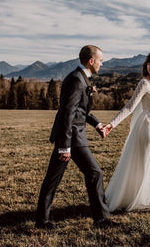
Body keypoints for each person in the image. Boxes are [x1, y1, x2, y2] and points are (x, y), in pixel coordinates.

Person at [35, 45, 114, 229]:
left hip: (74, 136)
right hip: (72, 137)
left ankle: (42, 220)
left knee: (53, 179)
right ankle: (101, 219)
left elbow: (81, 111)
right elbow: (67, 114)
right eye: (100, 60)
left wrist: (98, 124)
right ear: (91, 61)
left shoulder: (81, 78)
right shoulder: (77, 80)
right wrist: (64, 146)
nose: (102, 64)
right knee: (94, 173)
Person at [103, 51, 150, 212]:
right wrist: (112, 124)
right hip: (147, 126)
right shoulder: (144, 83)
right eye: (149, 64)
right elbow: (130, 107)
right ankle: (137, 198)